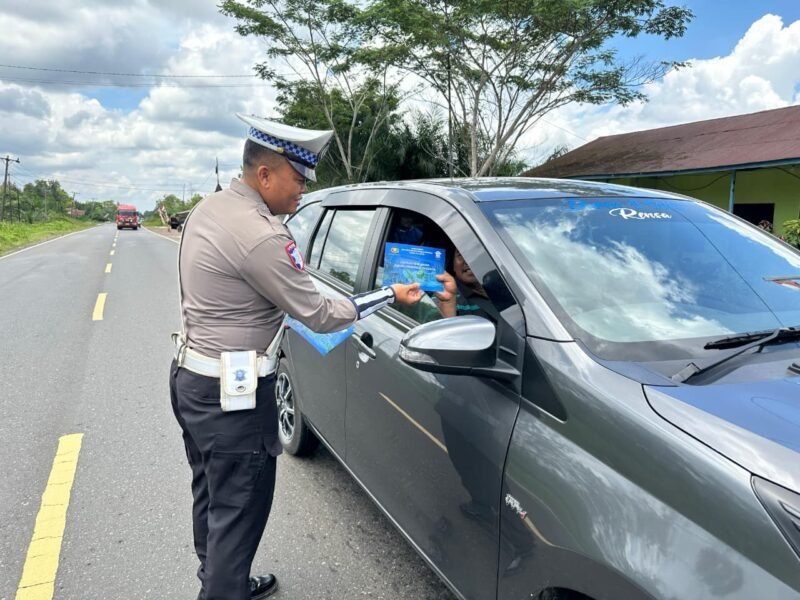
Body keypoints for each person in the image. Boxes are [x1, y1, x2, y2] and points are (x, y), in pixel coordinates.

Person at [170, 113, 423, 600]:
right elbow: (320, 314)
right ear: (265, 174)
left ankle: (222, 579)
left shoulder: (210, 208)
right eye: (300, 179)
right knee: (238, 514)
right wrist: (389, 294)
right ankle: (224, 587)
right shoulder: (264, 235)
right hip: (233, 400)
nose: (305, 190)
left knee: (213, 496)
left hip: (192, 380)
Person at [434, 249, 497, 320]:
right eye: (460, 255)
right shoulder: (444, 295)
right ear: (453, 265)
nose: (468, 261)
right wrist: (448, 304)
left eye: (474, 253)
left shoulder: (502, 284)